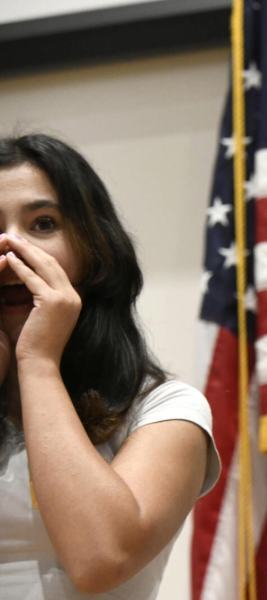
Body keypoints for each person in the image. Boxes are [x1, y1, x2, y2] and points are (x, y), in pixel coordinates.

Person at [0, 133, 220, 599]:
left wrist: (38, 362)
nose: (11, 249)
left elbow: (102, 557)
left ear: (94, 251)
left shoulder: (165, 409)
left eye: (42, 224)